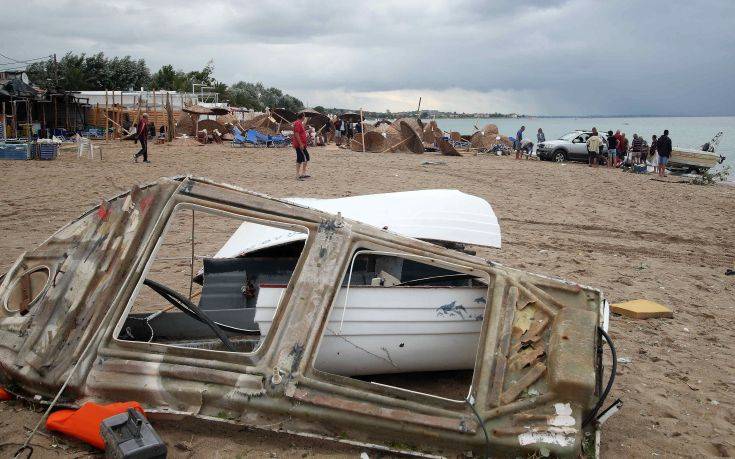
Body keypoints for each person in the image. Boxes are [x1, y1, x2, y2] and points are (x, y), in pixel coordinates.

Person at [292, 113, 310, 180]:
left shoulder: (300, 123)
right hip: (299, 144)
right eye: (304, 116)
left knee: (306, 157)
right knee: (300, 158)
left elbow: (300, 133)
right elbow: (296, 134)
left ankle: (303, 173)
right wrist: (300, 144)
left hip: (302, 144)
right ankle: (297, 175)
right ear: (302, 117)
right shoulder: (297, 123)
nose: (305, 117)